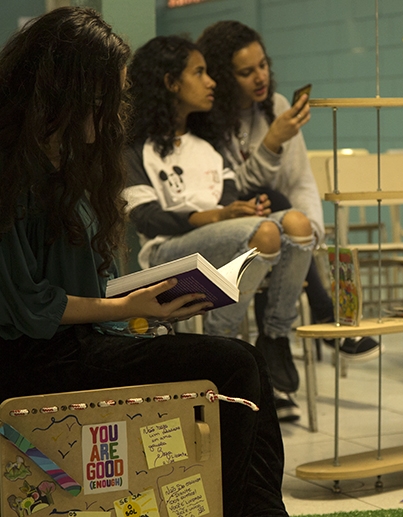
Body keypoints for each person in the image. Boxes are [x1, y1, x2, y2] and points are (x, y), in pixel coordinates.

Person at [0, 8, 288, 517]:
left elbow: (89, 284)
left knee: (245, 362)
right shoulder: (14, 177)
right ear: (64, 92)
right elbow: (30, 305)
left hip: (79, 342)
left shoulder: (66, 163)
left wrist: (144, 301)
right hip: (34, 359)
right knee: (233, 365)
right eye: (102, 100)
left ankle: (260, 509)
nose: (112, 113)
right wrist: (128, 307)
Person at [124, 35, 314, 421]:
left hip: (220, 241)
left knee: (297, 223)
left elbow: (226, 201)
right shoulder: (133, 148)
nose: (211, 81)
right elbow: (146, 217)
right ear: (170, 83)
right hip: (166, 250)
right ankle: (220, 339)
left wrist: (241, 211)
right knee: (264, 233)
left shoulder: (209, 145)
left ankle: (275, 335)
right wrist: (217, 217)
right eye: (199, 72)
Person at [191, 20, 381, 376]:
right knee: (272, 202)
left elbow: (301, 181)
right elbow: (229, 192)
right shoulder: (207, 119)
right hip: (232, 224)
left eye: (263, 65)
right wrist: (272, 143)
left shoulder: (276, 106)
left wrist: (308, 236)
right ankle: (315, 316)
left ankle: (274, 370)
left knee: (282, 217)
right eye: (246, 72)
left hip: (278, 227)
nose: (260, 77)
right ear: (225, 77)